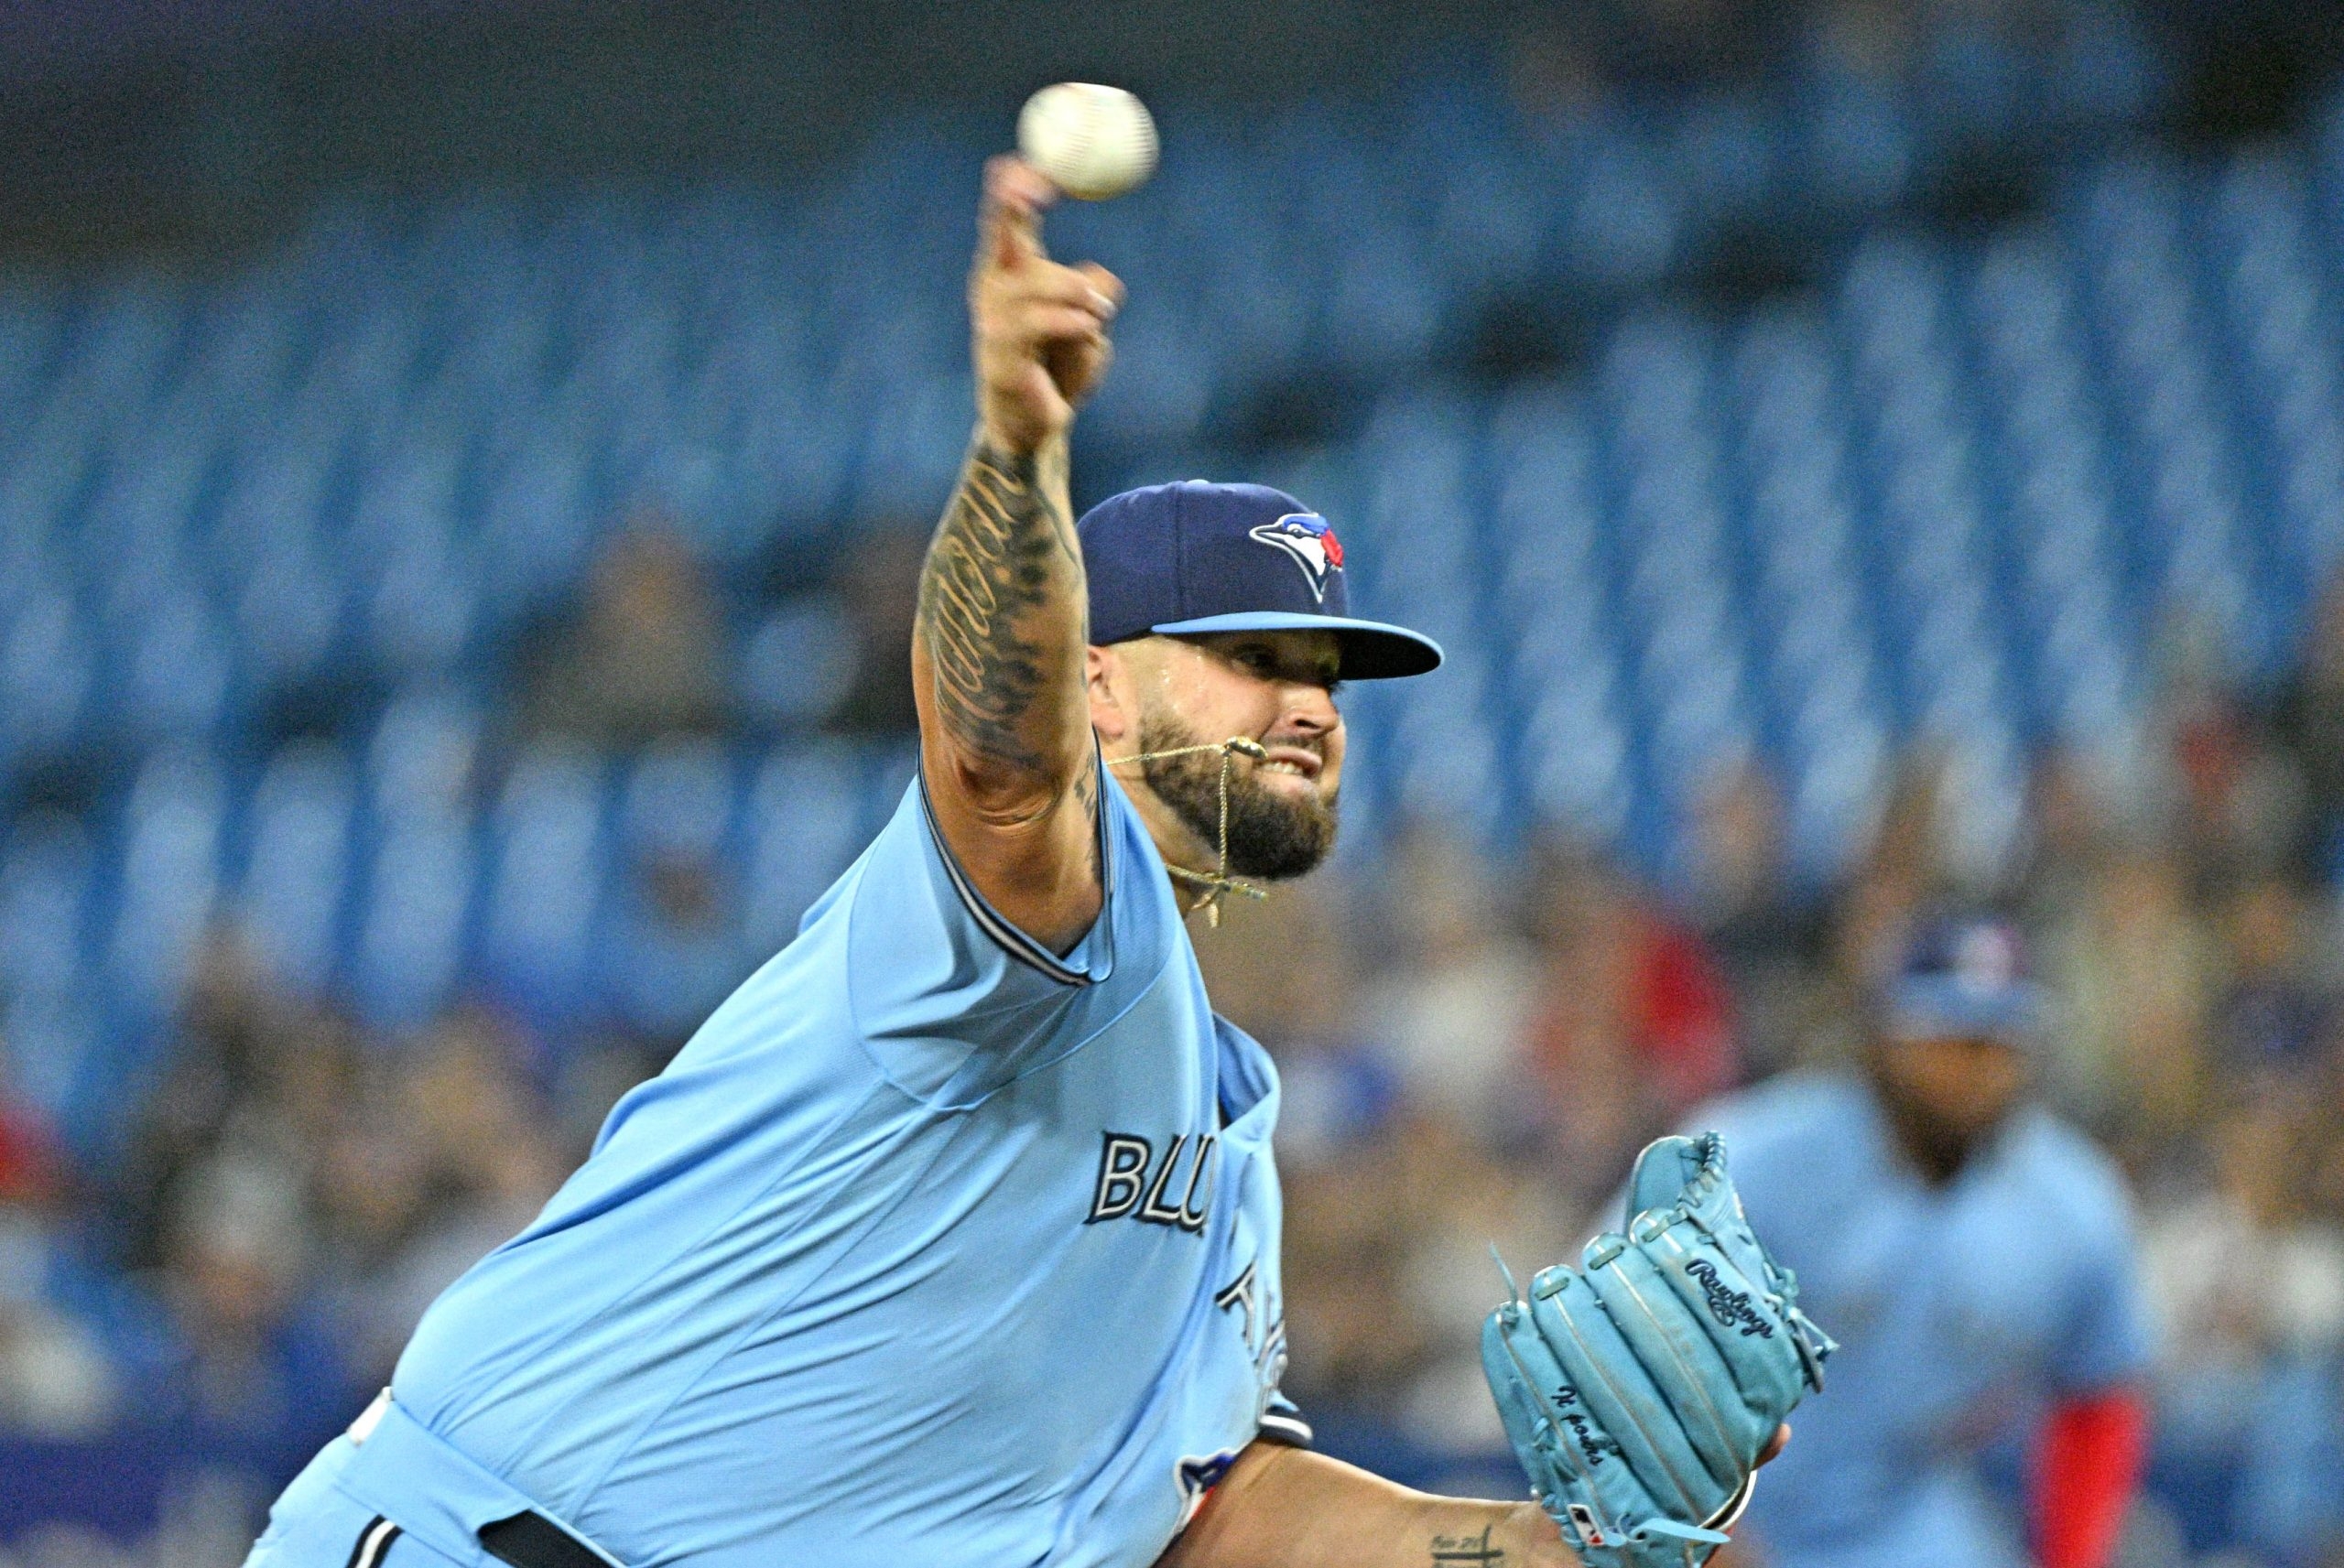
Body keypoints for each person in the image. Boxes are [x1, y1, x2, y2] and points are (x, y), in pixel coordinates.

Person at [238, 156, 1614, 1568]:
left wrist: (1577, 1546)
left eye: (1327, 666)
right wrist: (1017, 450)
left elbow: (1220, 1520)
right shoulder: (1057, 917)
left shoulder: (1233, 1144)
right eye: (1250, 656)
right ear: (1096, 689)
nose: (1311, 701)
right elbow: (1001, 768)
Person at [1687, 914, 2152, 1568]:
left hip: (1904, 1524)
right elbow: (1598, 1347)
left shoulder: (2070, 1203)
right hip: (1719, 1509)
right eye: (1946, 1035)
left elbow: (2098, 1391)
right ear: (1883, 1035)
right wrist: (1696, 1530)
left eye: (1996, 1041)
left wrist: (2072, 1558)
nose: (1972, 1065)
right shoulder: (1754, 1161)